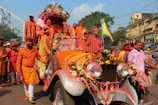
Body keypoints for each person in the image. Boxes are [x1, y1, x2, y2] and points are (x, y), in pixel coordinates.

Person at [16, 37, 47, 104]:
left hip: (32, 69)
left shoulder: (35, 50)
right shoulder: (22, 50)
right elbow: (18, 61)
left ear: (32, 42)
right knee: (25, 83)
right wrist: (18, 70)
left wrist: (45, 61)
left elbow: (39, 58)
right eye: (28, 41)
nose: (30, 43)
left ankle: (31, 97)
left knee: (31, 83)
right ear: (25, 42)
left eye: (31, 41)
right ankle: (27, 94)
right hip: (24, 69)